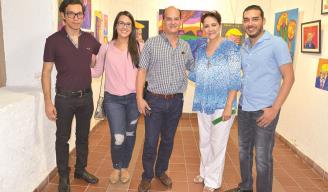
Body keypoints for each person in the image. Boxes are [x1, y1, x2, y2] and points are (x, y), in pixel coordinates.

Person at [226, 5, 294, 192]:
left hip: (265, 110)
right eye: (246, 20)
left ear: (263, 21)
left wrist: (275, 109)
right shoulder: (244, 47)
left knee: (263, 158)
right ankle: (246, 187)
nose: (250, 23)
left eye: (255, 19)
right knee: (243, 153)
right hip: (244, 108)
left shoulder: (277, 43)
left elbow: (289, 78)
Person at [41, 0, 101, 191]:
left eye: (79, 14)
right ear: (63, 16)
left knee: (83, 137)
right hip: (64, 99)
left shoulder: (90, 40)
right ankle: (64, 176)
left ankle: (80, 170)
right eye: (72, 14)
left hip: (86, 97)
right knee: (62, 138)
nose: (76, 18)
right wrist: (48, 101)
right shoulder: (53, 40)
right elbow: (46, 72)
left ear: (83, 16)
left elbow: (98, 59)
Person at [136, 6, 194, 192]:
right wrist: (139, 98)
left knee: (168, 140)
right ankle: (147, 176)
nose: (173, 22)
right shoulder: (151, 43)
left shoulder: (185, 46)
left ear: (180, 21)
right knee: (151, 140)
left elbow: (194, 69)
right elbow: (141, 71)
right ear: (163, 21)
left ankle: (161, 171)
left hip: (176, 101)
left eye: (176, 18)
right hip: (155, 100)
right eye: (169, 19)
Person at [189, 11, 241, 192]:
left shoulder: (230, 48)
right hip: (203, 102)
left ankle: (212, 182)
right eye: (206, 26)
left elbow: (235, 79)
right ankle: (204, 172)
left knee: (217, 143)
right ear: (202, 28)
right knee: (205, 141)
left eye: (213, 25)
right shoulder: (202, 50)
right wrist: (182, 69)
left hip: (223, 105)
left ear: (219, 25)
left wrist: (229, 106)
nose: (209, 29)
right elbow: (197, 76)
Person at [91, 10, 142, 184]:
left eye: (128, 24)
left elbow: (146, 74)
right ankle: (116, 166)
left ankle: (125, 166)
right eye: (121, 23)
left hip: (134, 99)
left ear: (132, 27)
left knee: (130, 134)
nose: (124, 27)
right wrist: (78, 64)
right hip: (113, 100)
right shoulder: (106, 47)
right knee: (117, 136)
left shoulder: (140, 47)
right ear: (116, 25)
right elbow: (97, 72)